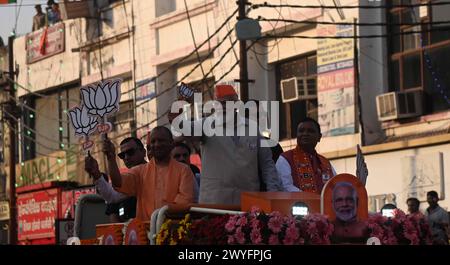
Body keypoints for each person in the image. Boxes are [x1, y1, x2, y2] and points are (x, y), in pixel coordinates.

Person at [170, 84, 282, 205]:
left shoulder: (252, 128)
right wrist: (181, 103)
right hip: (214, 202)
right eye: (220, 103)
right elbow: (180, 129)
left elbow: (267, 164)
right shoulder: (205, 125)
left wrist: (273, 193)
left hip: (247, 201)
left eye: (228, 103)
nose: (224, 107)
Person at [103, 126, 194, 221]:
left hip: (172, 229)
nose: (157, 144)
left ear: (171, 143)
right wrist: (111, 158)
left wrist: (159, 219)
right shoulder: (140, 171)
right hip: (145, 230)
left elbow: (183, 203)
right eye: (153, 141)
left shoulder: (184, 170)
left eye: (161, 140)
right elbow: (118, 182)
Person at [85, 137, 146, 222]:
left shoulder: (151, 170)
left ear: (143, 152)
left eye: (130, 152)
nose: (126, 157)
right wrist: (96, 174)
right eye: (122, 155)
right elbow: (112, 196)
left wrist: (111, 158)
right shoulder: (131, 177)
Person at [276, 117, 336, 193]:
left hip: (324, 204)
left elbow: (335, 186)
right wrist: (311, 198)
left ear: (319, 137)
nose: (305, 134)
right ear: (297, 135)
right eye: (301, 131)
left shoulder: (325, 163)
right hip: (298, 203)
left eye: (310, 131)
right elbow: (285, 186)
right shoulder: (285, 158)